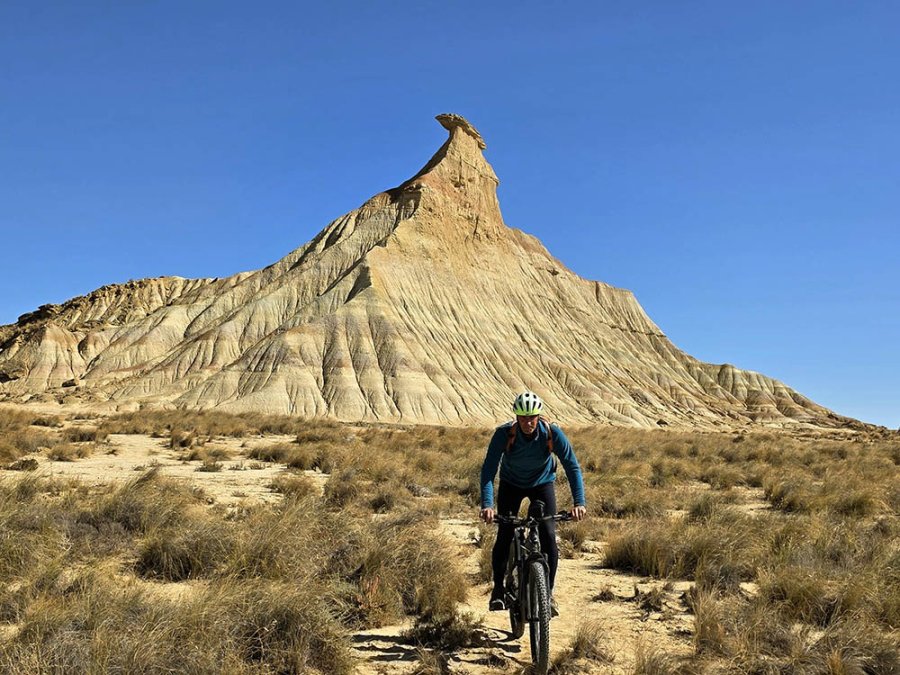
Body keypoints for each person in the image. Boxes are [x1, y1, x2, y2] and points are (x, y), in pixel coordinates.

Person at [480, 391, 587, 616]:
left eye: (532, 417)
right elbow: (488, 470)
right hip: (511, 484)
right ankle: (498, 590)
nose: (528, 422)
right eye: (523, 417)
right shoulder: (503, 434)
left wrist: (579, 502)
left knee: (548, 534)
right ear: (516, 417)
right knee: (505, 533)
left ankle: (547, 594)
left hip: (542, 483)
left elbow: (572, 466)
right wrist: (487, 505)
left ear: (539, 416)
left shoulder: (551, 433)